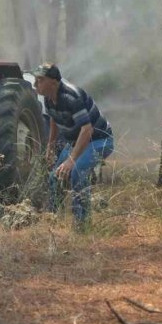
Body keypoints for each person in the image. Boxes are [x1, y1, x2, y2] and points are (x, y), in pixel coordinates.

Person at [31, 63, 114, 228]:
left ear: (54, 82)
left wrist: (71, 160)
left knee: (77, 171)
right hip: (77, 141)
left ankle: (82, 225)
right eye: (36, 79)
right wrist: (50, 146)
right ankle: (52, 220)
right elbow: (54, 119)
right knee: (55, 176)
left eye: (40, 80)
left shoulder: (71, 96)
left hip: (99, 140)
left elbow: (87, 129)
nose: (35, 84)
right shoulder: (48, 98)